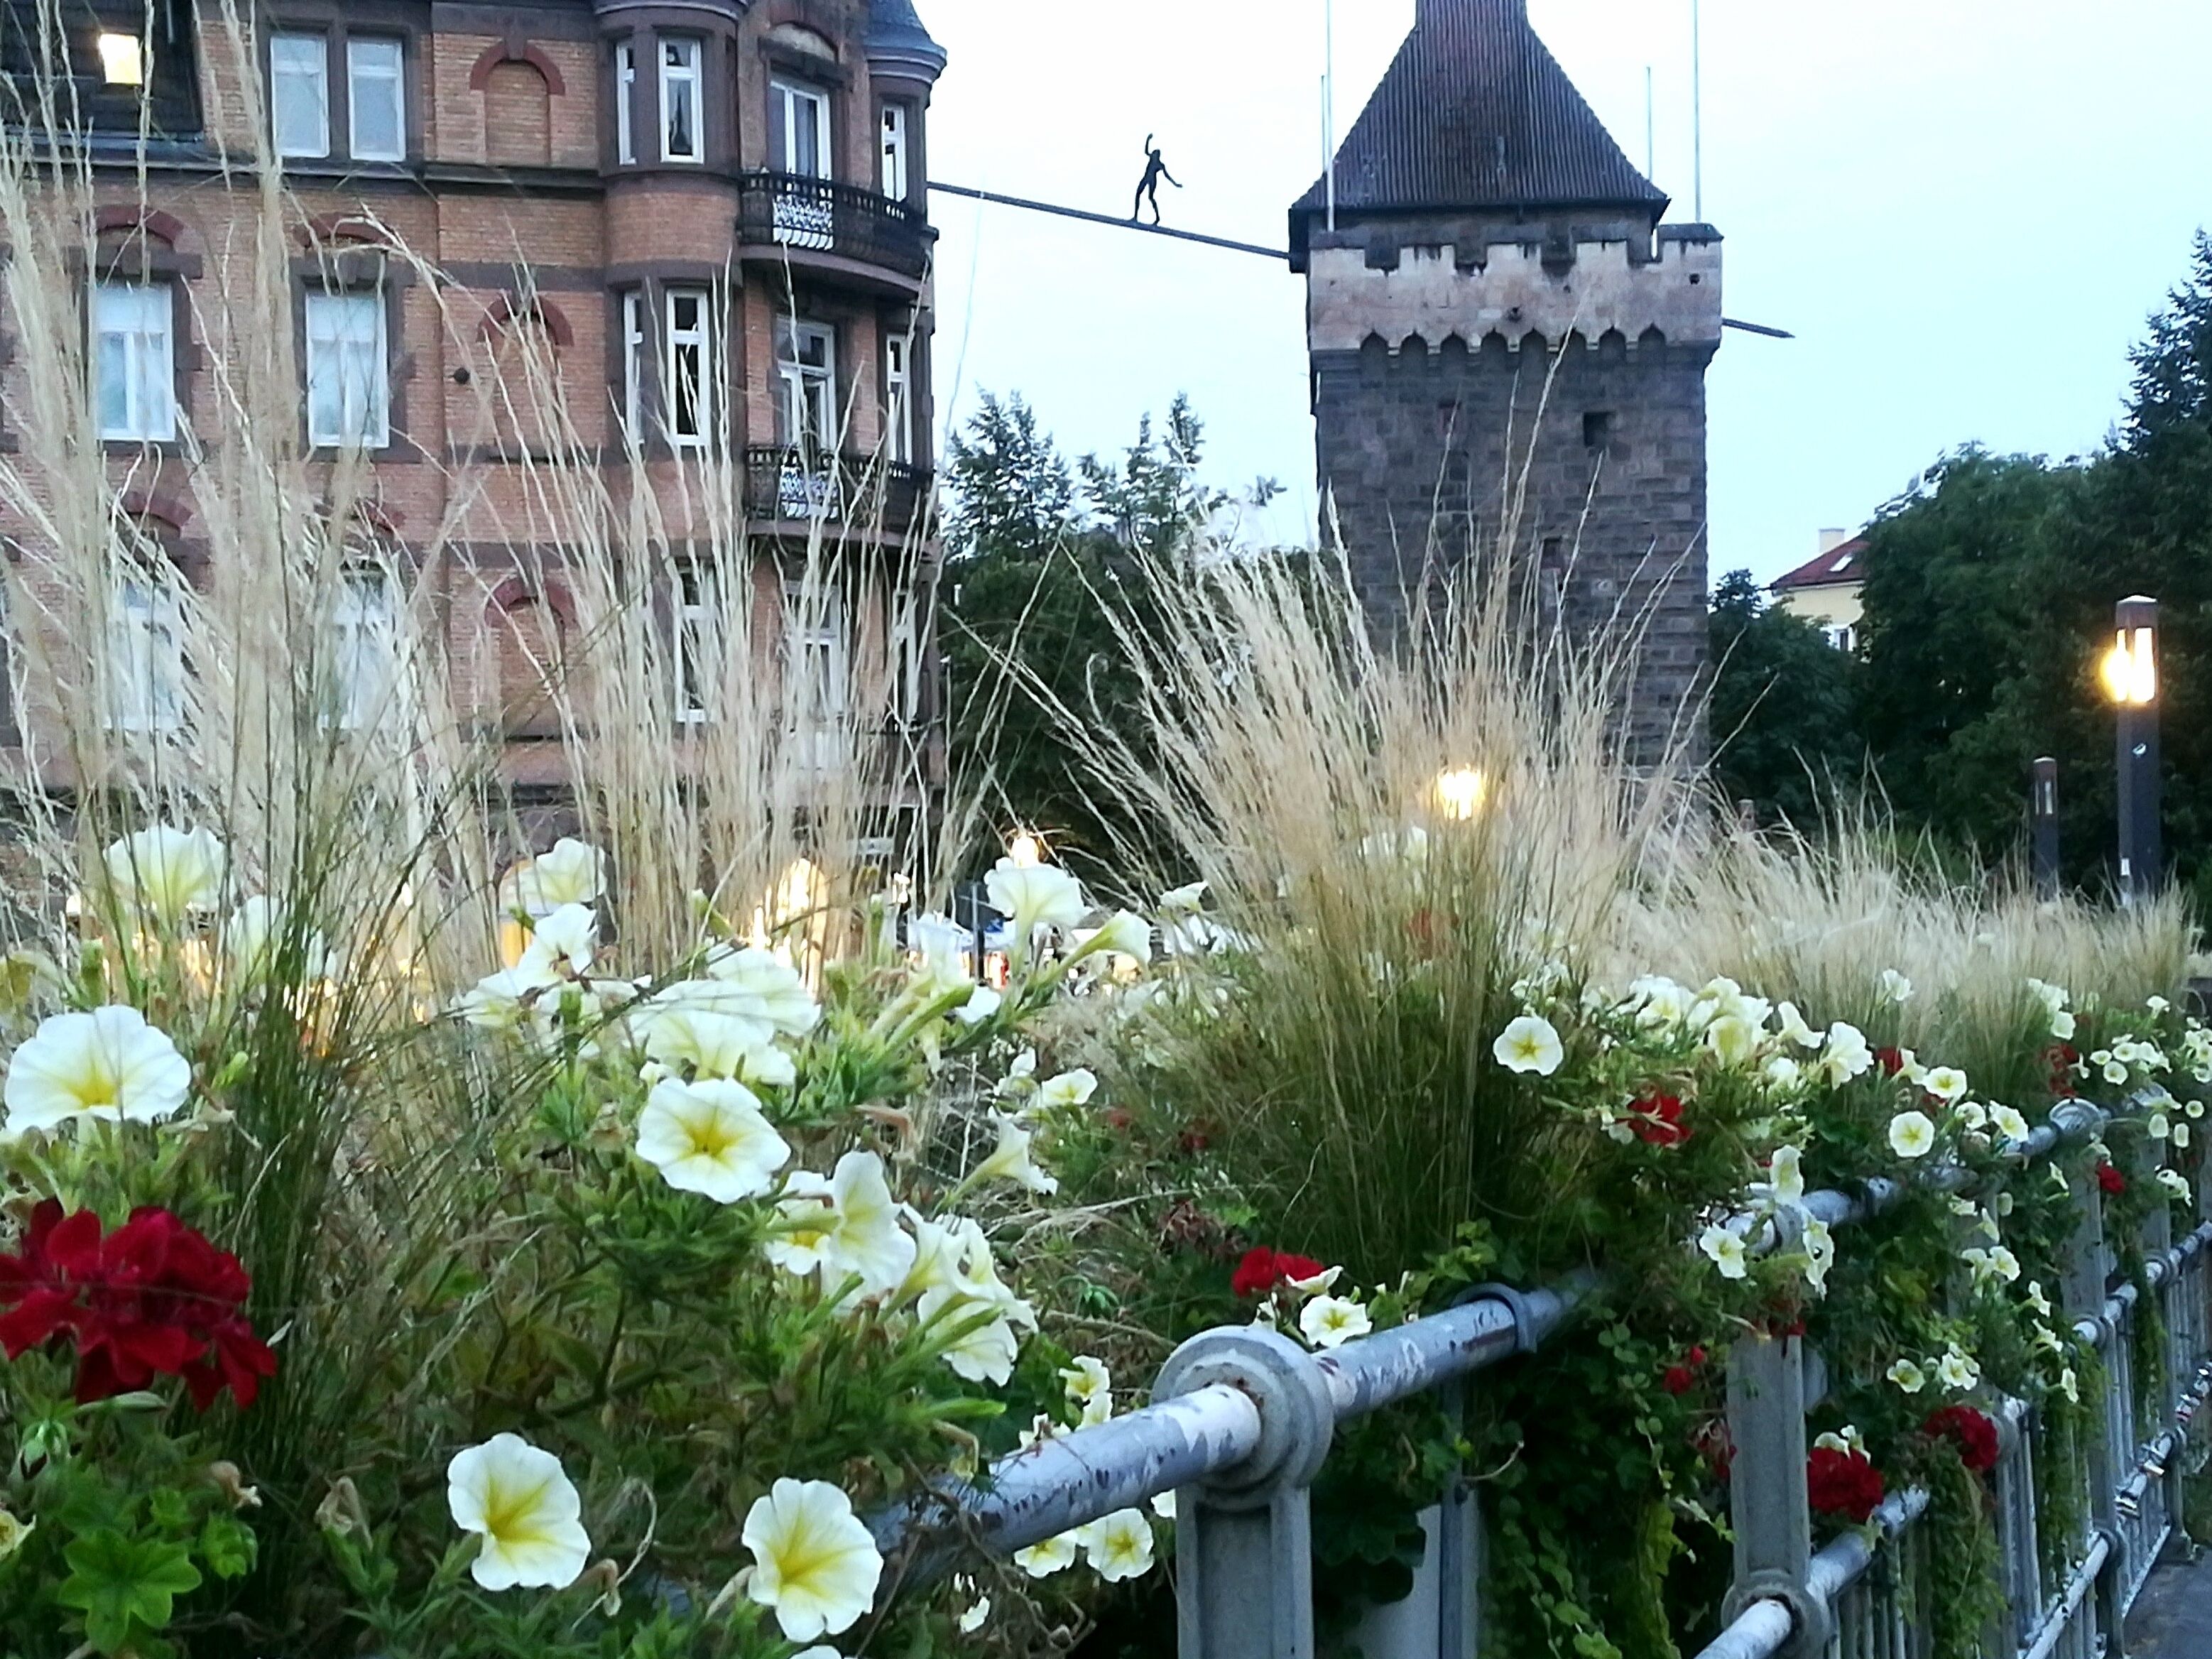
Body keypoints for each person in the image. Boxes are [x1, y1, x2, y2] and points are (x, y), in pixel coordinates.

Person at [1130, 134, 1180, 225]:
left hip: (1152, 180)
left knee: (1150, 197)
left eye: (1157, 154)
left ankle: (1157, 218)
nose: (1155, 155)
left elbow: (1167, 176)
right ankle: (1135, 217)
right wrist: (1148, 140)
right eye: (1155, 154)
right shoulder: (1152, 158)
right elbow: (1146, 151)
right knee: (1138, 194)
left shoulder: (1160, 164)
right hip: (1146, 178)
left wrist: (1175, 184)